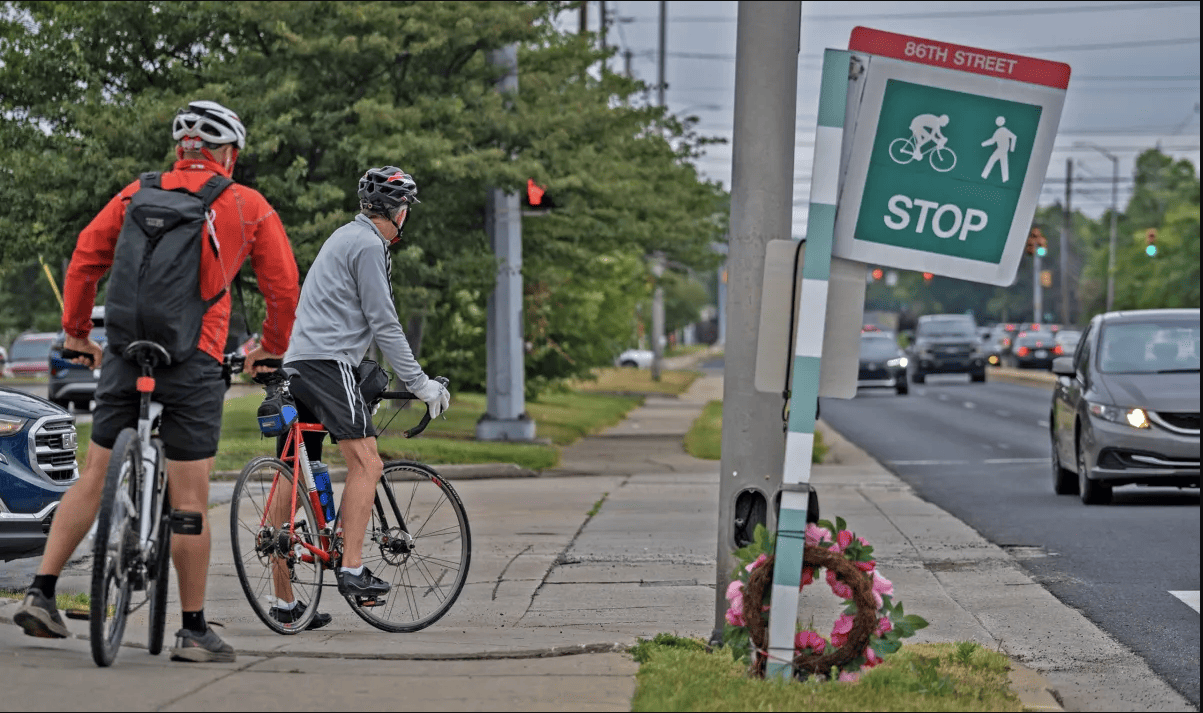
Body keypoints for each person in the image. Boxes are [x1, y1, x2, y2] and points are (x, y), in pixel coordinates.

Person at [12, 100, 301, 663]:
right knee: (188, 496)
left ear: (181, 149)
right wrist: (270, 348)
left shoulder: (134, 194)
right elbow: (284, 288)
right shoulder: (247, 205)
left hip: (125, 351)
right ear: (229, 154)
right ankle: (193, 632)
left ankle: (41, 593)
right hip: (192, 359)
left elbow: (82, 262)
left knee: (95, 474)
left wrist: (76, 335)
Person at [276, 165, 449, 608]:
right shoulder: (371, 245)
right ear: (397, 210)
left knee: (294, 471)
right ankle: (351, 569)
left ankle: (283, 602)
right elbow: (385, 322)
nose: (406, 214)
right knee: (368, 463)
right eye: (406, 206)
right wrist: (421, 384)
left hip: (300, 360)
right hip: (329, 363)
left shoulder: (342, 236)